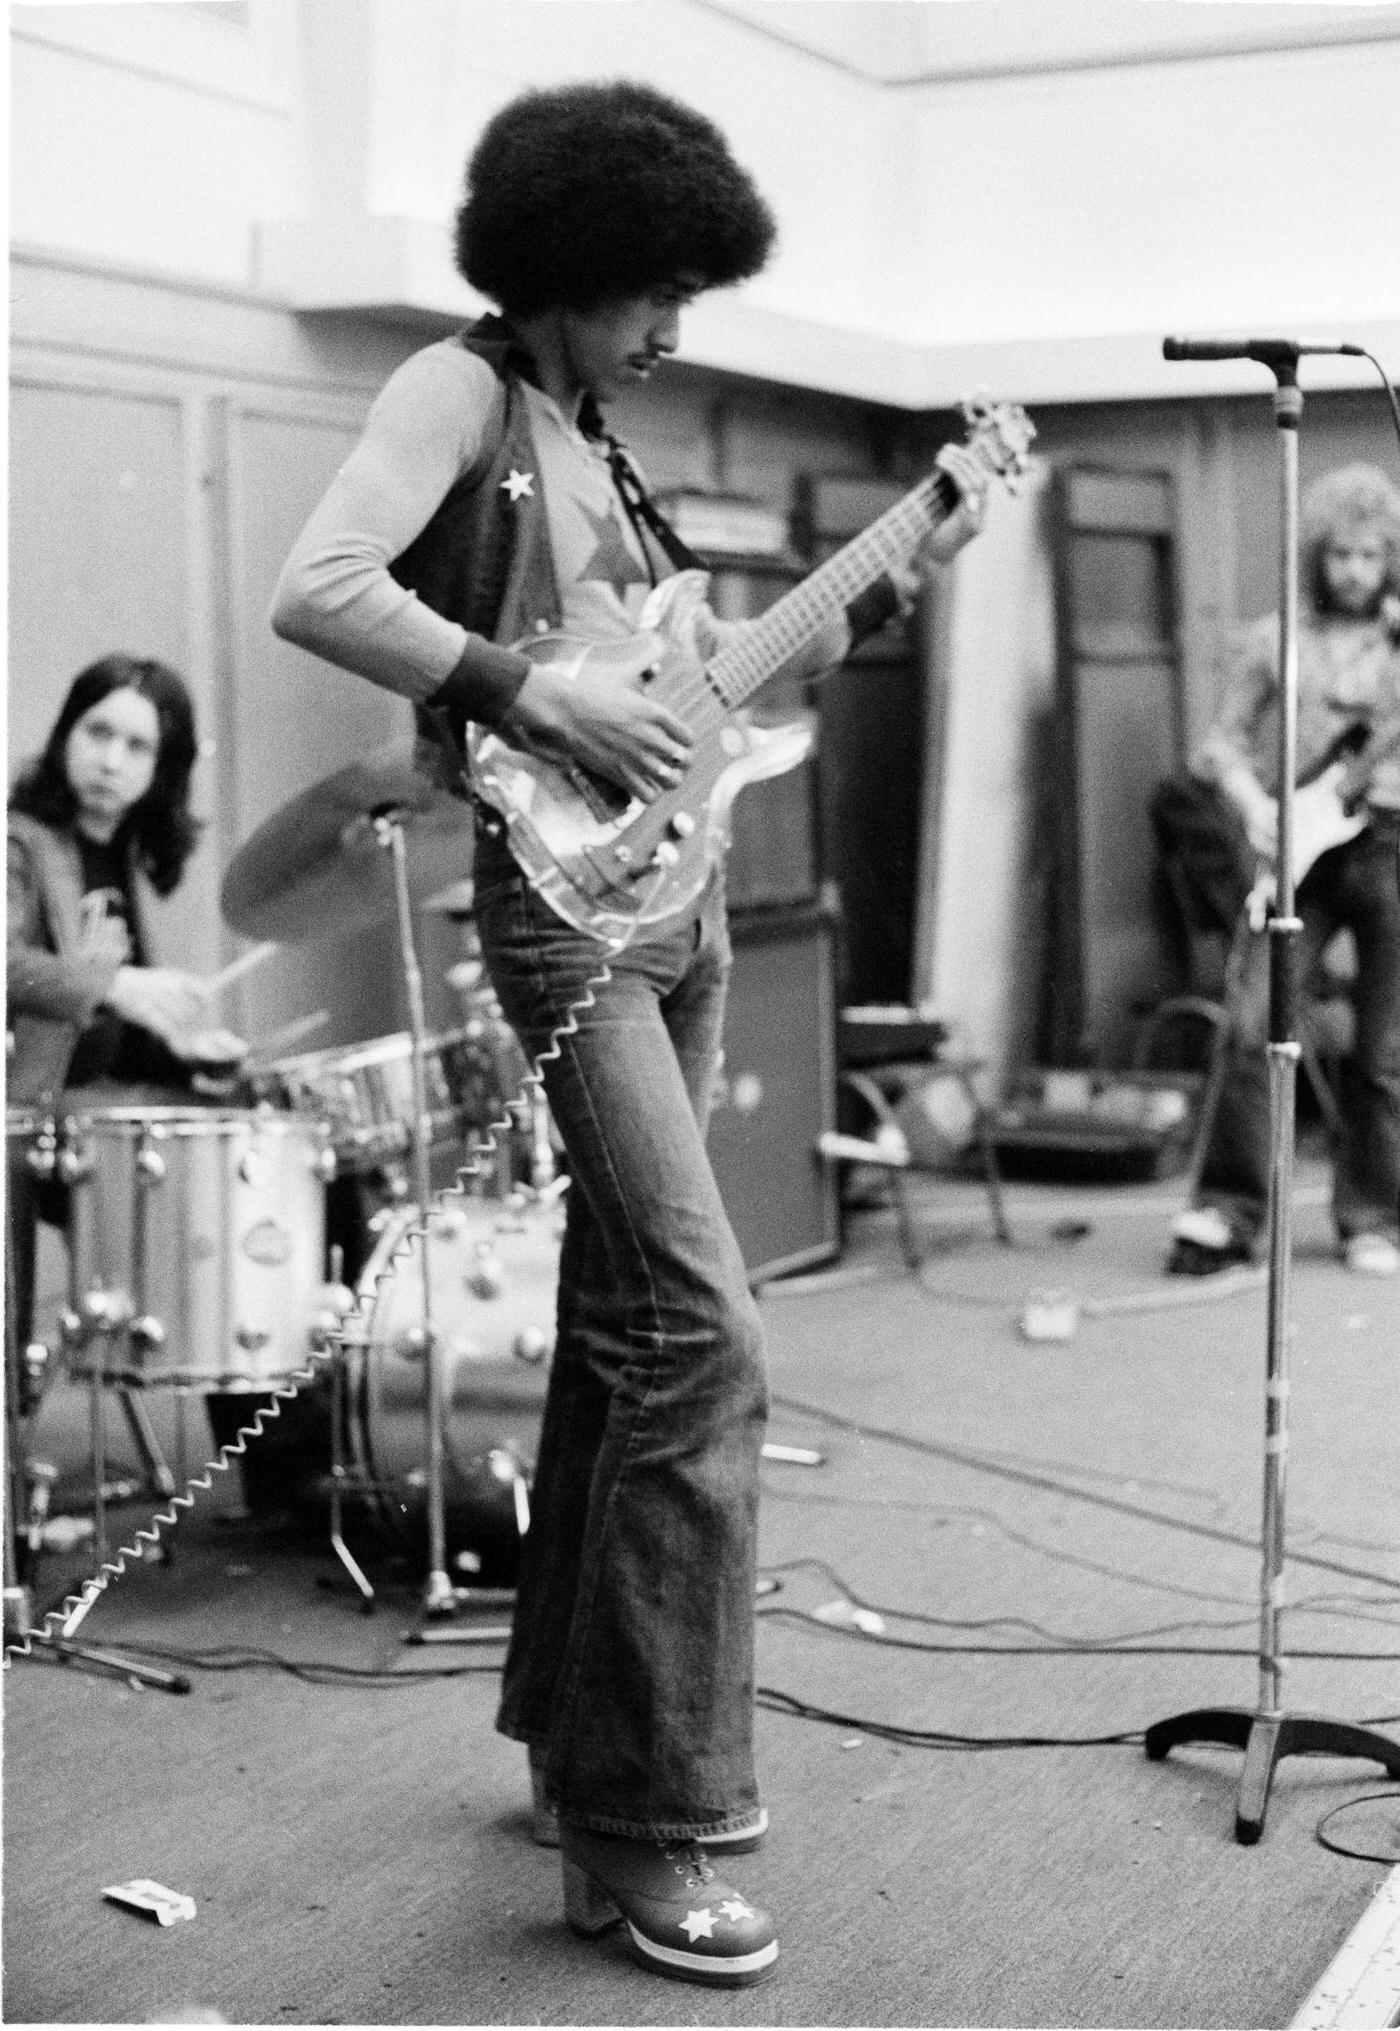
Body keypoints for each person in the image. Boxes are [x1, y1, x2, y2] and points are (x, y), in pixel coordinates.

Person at [272, 79, 987, 1988]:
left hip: (675, 912)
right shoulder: (465, 392)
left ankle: (567, 1744)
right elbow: (317, 586)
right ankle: (649, 1817)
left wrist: (916, 545)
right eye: (658, 289)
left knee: (619, 1333)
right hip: (564, 913)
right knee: (703, 1332)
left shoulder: (600, 436)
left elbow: (718, 683)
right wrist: (546, 710)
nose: (679, 328)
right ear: (569, 266)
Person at [6, 655, 249, 1469]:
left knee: (256, 1137)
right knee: (229, 1176)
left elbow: (112, 1022)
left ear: (162, 770)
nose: (111, 760)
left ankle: (288, 1446)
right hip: (39, 1113)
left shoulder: (119, 851)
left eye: (137, 747)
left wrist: (177, 1045)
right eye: (97, 732)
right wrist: (123, 985)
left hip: (106, 1100)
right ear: (66, 732)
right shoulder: (24, 843)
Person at [1167, 462, 1400, 1279]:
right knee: (1249, 1025)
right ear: (1316, 554)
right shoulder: (1276, 640)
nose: (1356, 572)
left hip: (1389, 846)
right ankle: (1228, 1210)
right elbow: (1217, 745)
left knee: (1385, 1047)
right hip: (1298, 845)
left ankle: (1374, 1215)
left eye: (1373, 556)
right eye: (1341, 554)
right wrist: (1250, 803)